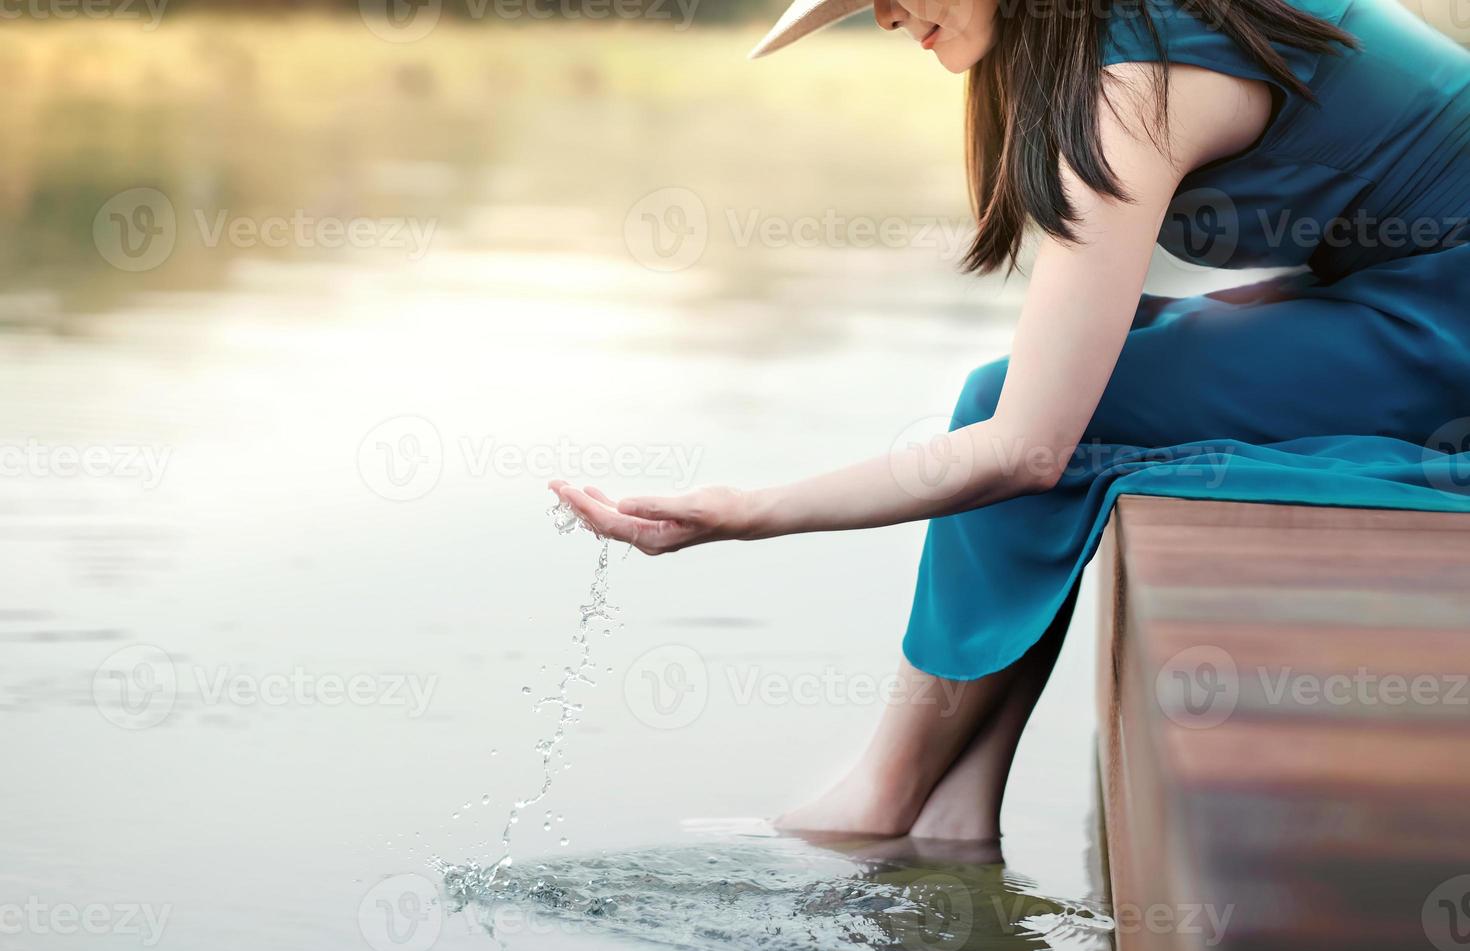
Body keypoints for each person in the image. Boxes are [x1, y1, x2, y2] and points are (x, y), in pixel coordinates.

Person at [551, 0, 1470, 841]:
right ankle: (957, 806)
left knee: (1020, 413)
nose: (880, 15)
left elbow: (1026, 446)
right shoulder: (1106, 46)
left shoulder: (1135, 80)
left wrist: (743, 512)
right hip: (1404, 302)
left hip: (1446, 326)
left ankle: (886, 792)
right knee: (1061, 390)